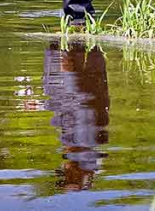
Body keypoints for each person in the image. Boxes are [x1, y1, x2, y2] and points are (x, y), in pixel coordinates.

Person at [42, 40, 110, 191]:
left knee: (81, 48)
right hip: (76, 93)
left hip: (88, 91)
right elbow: (78, 110)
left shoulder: (88, 150)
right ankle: (71, 42)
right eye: (66, 171)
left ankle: (76, 41)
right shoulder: (80, 147)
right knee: (73, 50)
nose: (63, 167)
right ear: (73, 172)